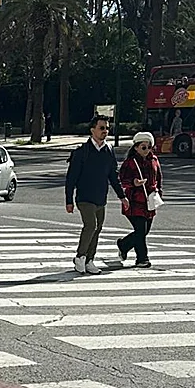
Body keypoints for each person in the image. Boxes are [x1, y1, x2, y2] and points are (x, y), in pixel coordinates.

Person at [64, 115, 128, 275]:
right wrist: (69, 200)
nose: (105, 131)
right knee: (90, 225)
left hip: (101, 197)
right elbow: (71, 178)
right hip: (85, 198)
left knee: (98, 228)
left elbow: (113, 176)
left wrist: (122, 196)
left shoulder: (108, 150)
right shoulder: (82, 152)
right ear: (92, 130)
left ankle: (89, 259)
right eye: (102, 128)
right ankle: (80, 256)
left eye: (107, 128)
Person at [117, 131, 163, 268]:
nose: (147, 150)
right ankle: (142, 258)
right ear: (136, 147)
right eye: (144, 147)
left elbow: (158, 178)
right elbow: (122, 180)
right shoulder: (130, 163)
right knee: (141, 231)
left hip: (150, 201)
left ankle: (124, 244)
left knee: (144, 231)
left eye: (149, 147)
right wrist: (134, 182)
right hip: (134, 201)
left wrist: (159, 192)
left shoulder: (154, 160)